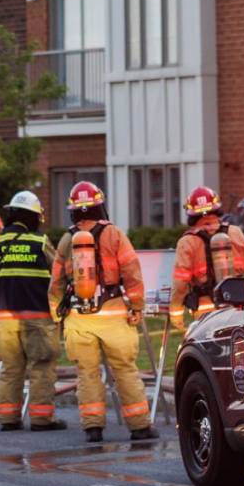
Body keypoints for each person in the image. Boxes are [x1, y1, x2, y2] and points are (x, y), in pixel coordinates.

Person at [49, 181, 153, 444]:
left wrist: (56, 314)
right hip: (114, 315)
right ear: (99, 205)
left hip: (80, 319)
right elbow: (132, 272)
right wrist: (137, 307)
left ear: (73, 211)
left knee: (87, 373)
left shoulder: (66, 239)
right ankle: (139, 427)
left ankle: (93, 428)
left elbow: (56, 283)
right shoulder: (114, 234)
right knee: (125, 371)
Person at [0, 190, 62, 432]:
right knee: (42, 366)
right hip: (37, 317)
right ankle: (41, 419)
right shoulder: (40, 242)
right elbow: (58, 274)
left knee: (10, 368)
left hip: (5, 318)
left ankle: (8, 419)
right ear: (33, 217)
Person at [170, 186, 244, 318]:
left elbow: (181, 283)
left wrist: (175, 311)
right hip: (237, 304)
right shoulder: (235, 232)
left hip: (206, 311)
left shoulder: (187, 242)